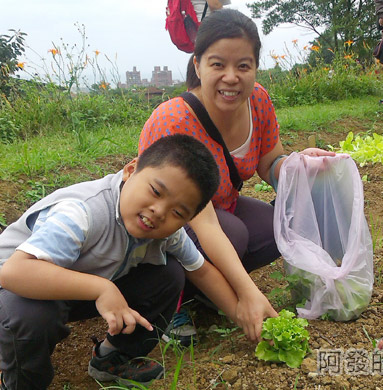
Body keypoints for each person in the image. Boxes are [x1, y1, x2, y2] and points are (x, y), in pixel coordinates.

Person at [0, 135, 255, 389]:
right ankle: (21, 385)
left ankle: (112, 358)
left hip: (74, 286)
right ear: (131, 170)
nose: (159, 211)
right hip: (13, 287)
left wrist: (245, 318)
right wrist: (101, 289)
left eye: (177, 212)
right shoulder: (81, 212)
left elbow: (202, 272)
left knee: (170, 275)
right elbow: (14, 273)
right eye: (155, 191)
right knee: (32, 317)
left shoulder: (166, 233)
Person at [139, 9, 334, 344]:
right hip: (162, 226)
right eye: (218, 64)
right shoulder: (176, 121)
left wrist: (299, 167)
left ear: (255, 67)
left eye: (243, 66)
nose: (232, 77)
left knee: (280, 225)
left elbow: (269, 161)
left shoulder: (257, 101)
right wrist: (247, 293)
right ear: (198, 64)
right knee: (234, 234)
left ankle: (204, 289)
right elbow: (206, 224)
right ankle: (170, 301)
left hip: (219, 215)